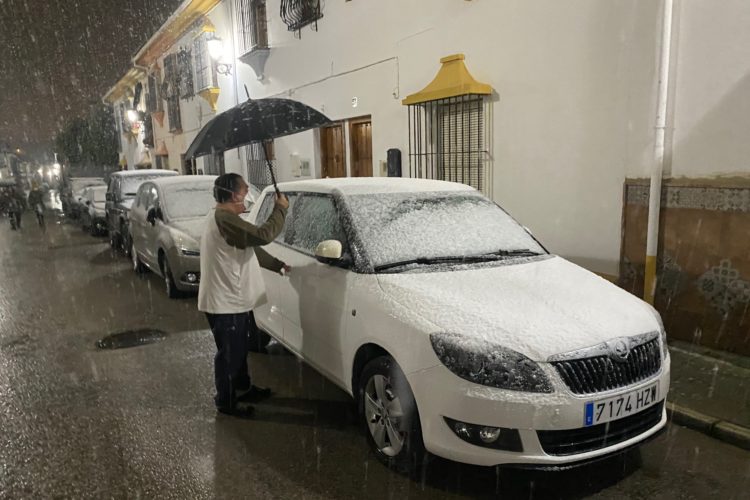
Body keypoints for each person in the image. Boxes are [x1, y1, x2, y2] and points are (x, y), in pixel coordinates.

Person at [198, 173, 290, 419]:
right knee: (230, 355)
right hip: (225, 303)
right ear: (231, 195)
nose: (247, 196)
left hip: (231, 300)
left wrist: (277, 264)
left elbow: (249, 247)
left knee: (238, 350)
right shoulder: (224, 218)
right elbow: (261, 236)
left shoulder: (225, 219)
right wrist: (280, 209)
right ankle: (226, 401)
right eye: (244, 191)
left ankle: (243, 388)